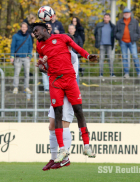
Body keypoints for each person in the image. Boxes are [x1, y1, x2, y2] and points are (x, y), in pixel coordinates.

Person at [33, 22, 97, 163]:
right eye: (33, 32)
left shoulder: (65, 44)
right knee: (57, 115)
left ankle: (86, 145)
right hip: (55, 81)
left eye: (36, 31)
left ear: (44, 30)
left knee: (78, 111)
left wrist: (87, 56)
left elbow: (77, 48)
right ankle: (61, 150)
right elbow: (47, 67)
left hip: (69, 80)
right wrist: (41, 65)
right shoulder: (40, 46)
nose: (34, 34)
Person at [42, 34, 79, 170]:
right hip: (57, 91)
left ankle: (66, 158)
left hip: (67, 93)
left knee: (64, 125)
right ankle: (53, 158)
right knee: (52, 126)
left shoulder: (72, 55)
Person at [115, 8, 140, 78]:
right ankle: (126, 73)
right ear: (123, 14)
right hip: (123, 42)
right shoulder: (119, 22)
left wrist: (135, 38)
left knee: (135, 57)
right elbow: (115, 32)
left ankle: (139, 73)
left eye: (127, 13)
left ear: (130, 14)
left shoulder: (134, 21)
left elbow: (139, 32)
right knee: (124, 57)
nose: (126, 14)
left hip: (132, 42)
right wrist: (118, 37)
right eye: (125, 13)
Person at [10, 22, 33, 94]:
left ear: (27, 28)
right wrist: (12, 56)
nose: (24, 28)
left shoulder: (28, 36)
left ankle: (26, 87)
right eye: (22, 27)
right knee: (17, 73)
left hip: (26, 58)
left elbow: (30, 46)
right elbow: (12, 47)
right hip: (18, 58)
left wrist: (29, 55)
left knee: (27, 73)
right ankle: (15, 87)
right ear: (20, 28)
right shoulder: (15, 36)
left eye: (25, 27)